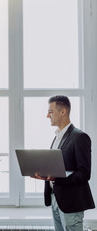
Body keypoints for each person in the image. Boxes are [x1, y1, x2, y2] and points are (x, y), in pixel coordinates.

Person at [33, 95, 95, 231]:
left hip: (71, 201)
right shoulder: (57, 137)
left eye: (50, 112)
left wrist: (58, 178)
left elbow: (84, 173)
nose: (47, 116)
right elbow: (58, 168)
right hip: (56, 197)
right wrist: (44, 174)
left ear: (63, 112)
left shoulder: (80, 137)